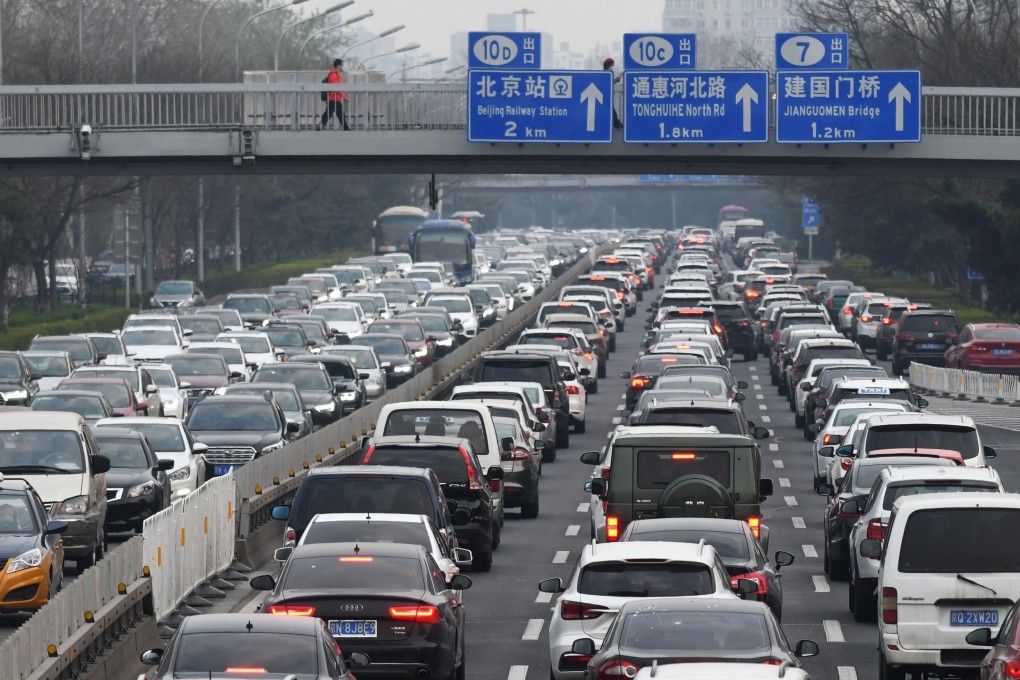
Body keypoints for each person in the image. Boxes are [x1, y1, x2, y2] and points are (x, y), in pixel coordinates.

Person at [319, 58, 350, 131]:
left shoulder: (335, 75)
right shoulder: (333, 75)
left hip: (335, 98)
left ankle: (346, 127)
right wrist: (343, 95)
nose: (342, 67)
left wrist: (342, 95)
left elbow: (337, 87)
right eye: (342, 65)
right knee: (330, 113)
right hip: (333, 98)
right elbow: (336, 88)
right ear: (338, 66)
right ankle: (346, 128)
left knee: (336, 114)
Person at [603, 57, 623, 130]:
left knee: (613, 114)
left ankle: (619, 126)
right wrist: (617, 79)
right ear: (608, 65)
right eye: (611, 65)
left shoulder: (608, 74)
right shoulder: (605, 74)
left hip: (606, 99)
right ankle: (619, 127)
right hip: (604, 99)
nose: (612, 67)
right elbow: (607, 83)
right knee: (613, 114)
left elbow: (610, 82)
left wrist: (617, 79)